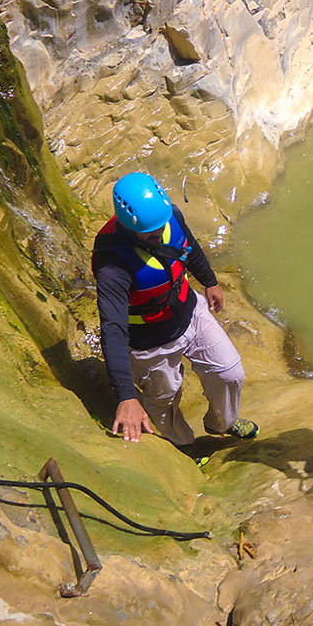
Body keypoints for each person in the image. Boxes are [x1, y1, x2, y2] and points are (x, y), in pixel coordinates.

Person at [92, 172, 258, 452]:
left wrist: (210, 281)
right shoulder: (112, 266)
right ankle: (184, 446)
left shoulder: (169, 216)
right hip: (150, 342)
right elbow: (113, 329)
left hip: (191, 313)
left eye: (161, 226)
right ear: (128, 225)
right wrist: (127, 396)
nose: (159, 233)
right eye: (150, 232)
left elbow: (189, 249)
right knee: (165, 397)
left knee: (230, 373)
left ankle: (223, 423)